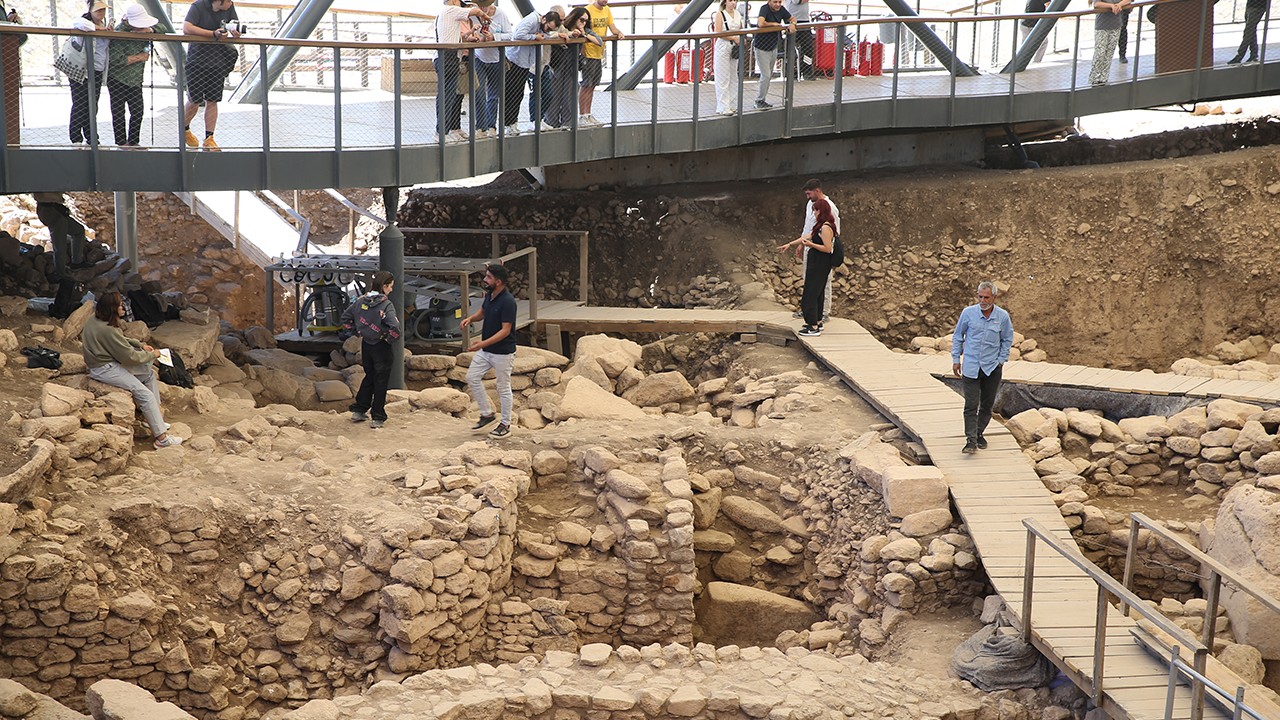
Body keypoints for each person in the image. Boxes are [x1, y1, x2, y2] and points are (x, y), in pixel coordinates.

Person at [82, 292, 183, 449]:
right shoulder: (108, 329)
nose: (123, 307)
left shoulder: (94, 320)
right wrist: (152, 354)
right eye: (120, 305)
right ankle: (162, 439)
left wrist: (139, 344)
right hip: (104, 368)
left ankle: (155, 419)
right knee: (145, 395)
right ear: (112, 309)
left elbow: (119, 339)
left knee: (148, 374)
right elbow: (129, 357)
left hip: (103, 363)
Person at [951, 281, 1014, 454]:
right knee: (971, 404)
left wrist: (1001, 360)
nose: (983, 300)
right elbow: (958, 336)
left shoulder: (1002, 316)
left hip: (992, 367)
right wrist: (956, 359)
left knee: (987, 404)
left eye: (986, 297)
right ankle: (970, 441)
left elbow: (1007, 339)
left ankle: (979, 433)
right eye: (980, 297)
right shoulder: (968, 313)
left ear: (994, 297)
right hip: (971, 366)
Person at [460, 264, 517, 439]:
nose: (484, 279)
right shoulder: (491, 295)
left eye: (488, 277)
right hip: (486, 350)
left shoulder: (508, 302)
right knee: (471, 377)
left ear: (498, 282)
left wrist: (482, 343)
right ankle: (487, 414)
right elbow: (484, 312)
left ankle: (505, 424)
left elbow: (505, 330)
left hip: (503, 353)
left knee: (503, 387)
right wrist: (471, 318)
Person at [342, 271, 401, 429]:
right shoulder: (386, 305)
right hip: (381, 346)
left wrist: (357, 331)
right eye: (390, 287)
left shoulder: (361, 300)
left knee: (369, 377)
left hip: (366, 345)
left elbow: (345, 318)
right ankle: (378, 416)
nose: (391, 290)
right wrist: (388, 339)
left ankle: (360, 410)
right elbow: (395, 327)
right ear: (384, 286)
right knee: (381, 381)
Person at [182, 0, 243, 150]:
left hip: (217, 61)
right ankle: (183, 128)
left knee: (213, 100)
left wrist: (235, 32)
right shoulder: (198, 6)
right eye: (227, 1)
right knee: (194, 100)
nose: (230, 3)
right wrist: (212, 34)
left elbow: (234, 24)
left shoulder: (230, 7)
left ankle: (209, 137)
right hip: (197, 60)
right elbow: (187, 27)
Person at [777, 198, 836, 337]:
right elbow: (806, 237)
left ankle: (812, 326)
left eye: (816, 210)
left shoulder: (826, 227)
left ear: (822, 211)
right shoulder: (820, 226)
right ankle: (818, 321)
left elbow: (828, 248)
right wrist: (790, 244)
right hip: (816, 263)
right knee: (817, 293)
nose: (814, 213)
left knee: (811, 294)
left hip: (820, 264)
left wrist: (811, 245)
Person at [789, 178, 841, 322]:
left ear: (817, 191)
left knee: (823, 280)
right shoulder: (810, 205)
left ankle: (824, 311)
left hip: (823, 249)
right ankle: (809, 309)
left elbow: (834, 231)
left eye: (809, 194)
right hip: (810, 246)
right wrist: (801, 243)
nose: (808, 197)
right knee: (808, 279)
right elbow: (808, 227)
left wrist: (828, 249)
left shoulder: (830, 207)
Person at [435, 0, 487, 143]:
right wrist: (484, 16)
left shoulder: (446, 13)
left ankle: (443, 131)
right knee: (446, 96)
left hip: (449, 57)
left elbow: (460, 37)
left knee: (449, 95)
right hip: (448, 57)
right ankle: (441, 132)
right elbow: (475, 11)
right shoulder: (450, 10)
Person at [107, 4, 158, 148]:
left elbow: (162, 28)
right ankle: (121, 141)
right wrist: (139, 57)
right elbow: (116, 59)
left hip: (135, 79)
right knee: (118, 111)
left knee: (137, 110)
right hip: (117, 78)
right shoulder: (119, 33)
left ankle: (134, 141)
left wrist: (150, 30)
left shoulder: (145, 30)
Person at [505, 9, 562, 135]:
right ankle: (508, 124)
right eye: (548, 27)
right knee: (511, 93)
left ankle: (513, 123)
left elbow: (544, 36)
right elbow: (517, 35)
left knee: (518, 94)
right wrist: (534, 37)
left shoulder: (542, 27)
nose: (547, 30)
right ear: (544, 19)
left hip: (526, 62)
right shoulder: (531, 20)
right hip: (515, 59)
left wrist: (545, 35)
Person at [546, 8, 598, 129]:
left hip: (571, 65)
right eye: (581, 19)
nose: (583, 22)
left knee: (569, 94)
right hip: (557, 63)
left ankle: (567, 122)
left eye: (586, 20)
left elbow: (598, 41)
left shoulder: (583, 30)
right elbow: (547, 34)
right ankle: (551, 122)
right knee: (554, 93)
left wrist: (583, 33)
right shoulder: (561, 27)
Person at [466, 4, 511, 138]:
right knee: (478, 93)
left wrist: (494, 37)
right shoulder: (473, 15)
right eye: (480, 5)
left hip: (497, 59)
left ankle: (491, 125)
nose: (483, 8)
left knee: (494, 95)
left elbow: (510, 34)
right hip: (479, 57)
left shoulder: (501, 14)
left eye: (485, 5)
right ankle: (480, 127)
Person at [69, 0, 109, 145]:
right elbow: (80, 25)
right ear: (90, 10)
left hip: (97, 69)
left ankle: (91, 136)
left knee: (93, 104)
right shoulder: (84, 21)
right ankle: (75, 137)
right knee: (80, 103)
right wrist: (102, 30)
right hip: (81, 69)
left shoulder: (105, 25)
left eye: (103, 10)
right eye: (98, 10)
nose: (101, 13)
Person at [580, 0, 624, 126]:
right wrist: (583, 50)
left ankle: (588, 114)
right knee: (586, 84)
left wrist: (619, 33)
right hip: (588, 53)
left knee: (593, 85)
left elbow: (612, 28)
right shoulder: (587, 10)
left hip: (599, 53)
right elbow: (583, 29)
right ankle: (582, 115)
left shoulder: (607, 10)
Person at [33, 193, 89, 277]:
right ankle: (60, 273)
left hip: (55, 208)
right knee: (60, 245)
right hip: (48, 208)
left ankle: (77, 262)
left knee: (79, 230)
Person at [753, 0, 794, 110]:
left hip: (773, 46)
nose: (778, 4)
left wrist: (792, 24)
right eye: (775, 2)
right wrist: (774, 24)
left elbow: (792, 18)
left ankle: (762, 99)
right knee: (765, 74)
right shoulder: (764, 8)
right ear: (769, 1)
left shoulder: (781, 9)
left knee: (768, 75)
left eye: (780, 2)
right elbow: (760, 23)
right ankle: (758, 100)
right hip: (761, 47)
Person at [1088, 0, 1130, 85]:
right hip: (1102, 25)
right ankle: (1095, 78)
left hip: (1116, 24)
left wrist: (1119, 5)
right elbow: (1096, 4)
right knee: (1100, 52)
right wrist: (1111, 6)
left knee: (1109, 52)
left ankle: (1104, 78)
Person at [712, 0, 743, 115]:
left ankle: (732, 104)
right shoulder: (720, 14)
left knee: (733, 75)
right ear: (725, 2)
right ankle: (723, 106)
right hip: (723, 46)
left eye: (735, 0)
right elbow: (718, 32)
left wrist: (739, 38)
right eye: (730, 0)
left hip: (734, 47)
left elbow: (740, 28)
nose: (733, 3)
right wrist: (733, 38)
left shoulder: (738, 13)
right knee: (723, 76)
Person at [783, 0, 814, 80]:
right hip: (792, 21)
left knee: (808, 48)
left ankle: (807, 71)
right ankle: (790, 71)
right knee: (790, 49)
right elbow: (797, 1)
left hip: (805, 20)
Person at [1228, 0, 1267, 64]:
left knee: (1248, 31)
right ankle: (1253, 55)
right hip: (1251, 5)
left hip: (1257, 7)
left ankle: (1240, 56)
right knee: (1251, 30)